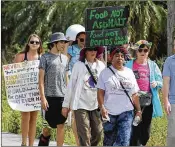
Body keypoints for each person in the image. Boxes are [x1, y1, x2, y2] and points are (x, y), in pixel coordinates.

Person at [97, 46, 141, 146]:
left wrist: (138, 110)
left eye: (122, 56)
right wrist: (102, 107)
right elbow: (100, 92)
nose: (120, 58)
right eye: (117, 56)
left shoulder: (129, 72)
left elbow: (134, 93)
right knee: (109, 141)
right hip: (109, 113)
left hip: (126, 112)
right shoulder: (104, 73)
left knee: (124, 141)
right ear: (111, 58)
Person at [62, 46, 105, 146]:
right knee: (84, 134)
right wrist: (66, 105)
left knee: (98, 133)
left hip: (96, 104)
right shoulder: (78, 65)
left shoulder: (101, 66)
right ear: (85, 52)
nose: (93, 52)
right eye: (90, 50)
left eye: (95, 50)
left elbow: (105, 86)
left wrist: (105, 104)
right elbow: (71, 85)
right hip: (80, 104)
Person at [125, 40, 163, 146]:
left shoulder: (153, 65)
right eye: (140, 50)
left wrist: (157, 83)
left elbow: (161, 82)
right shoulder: (129, 64)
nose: (143, 52)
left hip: (148, 101)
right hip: (133, 100)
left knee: (146, 131)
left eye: (145, 50)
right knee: (135, 127)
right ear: (136, 52)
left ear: (148, 52)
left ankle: (141, 143)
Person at [38, 32, 69, 146]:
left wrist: (68, 97)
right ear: (54, 43)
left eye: (65, 42)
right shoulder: (45, 58)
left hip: (62, 97)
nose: (64, 44)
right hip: (49, 97)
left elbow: (67, 79)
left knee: (61, 125)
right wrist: (43, 98)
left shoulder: (65, 58)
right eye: (62, 42)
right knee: (47, 130)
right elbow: (41, 80)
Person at [14, 34, 43, 146]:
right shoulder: (21, 56)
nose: (34, 44)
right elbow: (12, 74)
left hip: (37, 91)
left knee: (34, 118)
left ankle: (31, 144)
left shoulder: (42, 57)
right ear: (28, 43)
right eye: (32, 42)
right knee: (25, 116)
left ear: (40, 44)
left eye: (37, 42)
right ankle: (24, 143)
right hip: (24, 91)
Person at [65, 24, 86, 146]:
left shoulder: (90, 50)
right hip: (74, 83)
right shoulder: (71, 50)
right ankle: (78, 142)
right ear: (76, 39)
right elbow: (65, 63)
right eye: (81, 39)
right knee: (74, 114)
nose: (83, 42)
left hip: (87, 85)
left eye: (85, 39)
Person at [162, 38, 175, 146]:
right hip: (173, 102)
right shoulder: (169, 61)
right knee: (172, 134)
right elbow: (166, 82)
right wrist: (166, 100)